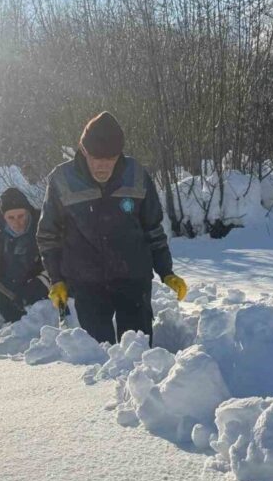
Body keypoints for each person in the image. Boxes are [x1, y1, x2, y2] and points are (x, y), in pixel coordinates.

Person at [36, 111, 187, 344]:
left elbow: (152, 228)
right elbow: (48, 234)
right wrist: (56, 278)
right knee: (99, 354)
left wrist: (166, 271)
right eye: (96, 157)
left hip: (133, 278)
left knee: (138, 351)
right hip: (86, 281)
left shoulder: (136, 175)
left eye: (111, 158)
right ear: (83, 151)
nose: (103, 165)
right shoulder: (62, 179)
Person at [0, 187, 51, 320]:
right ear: (4, 217)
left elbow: (62, 260)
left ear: (28, 212)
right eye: (11, 218)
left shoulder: (45, 225)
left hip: (47, 297)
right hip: (14, 297)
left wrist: (39, 285)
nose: (17, 222)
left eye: (21, 216)